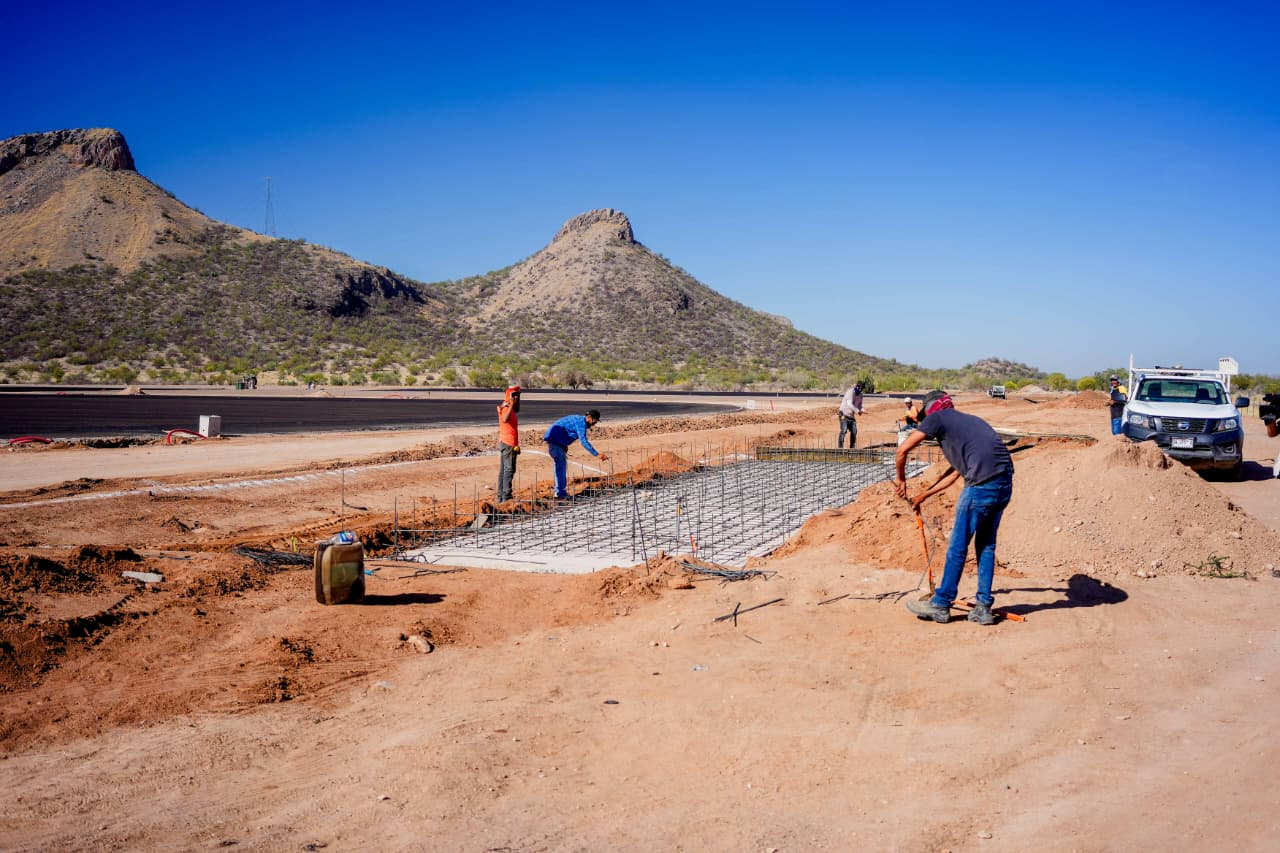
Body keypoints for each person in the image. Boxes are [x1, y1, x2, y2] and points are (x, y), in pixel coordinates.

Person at [894, 390, 1014, 625]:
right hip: (1004, 484)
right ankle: (983, 608)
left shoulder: (937, 418)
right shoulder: (971, 422)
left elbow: (902, 449)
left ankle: (941, 604)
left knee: (958, 547)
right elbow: (955, 472)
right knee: (986, 546)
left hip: (980, 486)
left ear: (930, 410)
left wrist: (901, 480)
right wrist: (923, 496)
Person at [542, 409, 609, 499]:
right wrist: (596, 454)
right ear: (589, 418)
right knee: (560, 467)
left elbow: (565, 430)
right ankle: (560, 493)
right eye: (595, 421)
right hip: (554, 442)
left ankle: (560, 491)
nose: (595, 423)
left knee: (560, 466)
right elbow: (583, 441)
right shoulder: (581, 424)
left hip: (555, 441)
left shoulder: (578, 419)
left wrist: (564, 445)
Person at [496, 385, 521, 502]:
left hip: (507, 443)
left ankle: (500, 497)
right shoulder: (507, 407)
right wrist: (510, 404)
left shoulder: (507, 407)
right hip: (508, 444)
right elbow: (505, 419)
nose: (517, 398)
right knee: (509, 470)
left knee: (504, 471)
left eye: (518, 396)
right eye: (515, 395)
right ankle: (506, 497)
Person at [837, 383, 864, 448]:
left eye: (861, 389)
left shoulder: (860, 395)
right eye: (859, 388)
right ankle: (840, 448)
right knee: (844, 430)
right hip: (843, 414)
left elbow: (860, 405)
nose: (860, 390)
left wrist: (863, 410)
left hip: (851, 416)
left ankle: (852, 448)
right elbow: (850, 404)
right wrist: (857, 411)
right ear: (856, 387)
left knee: (854, 431)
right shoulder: (850, 392)